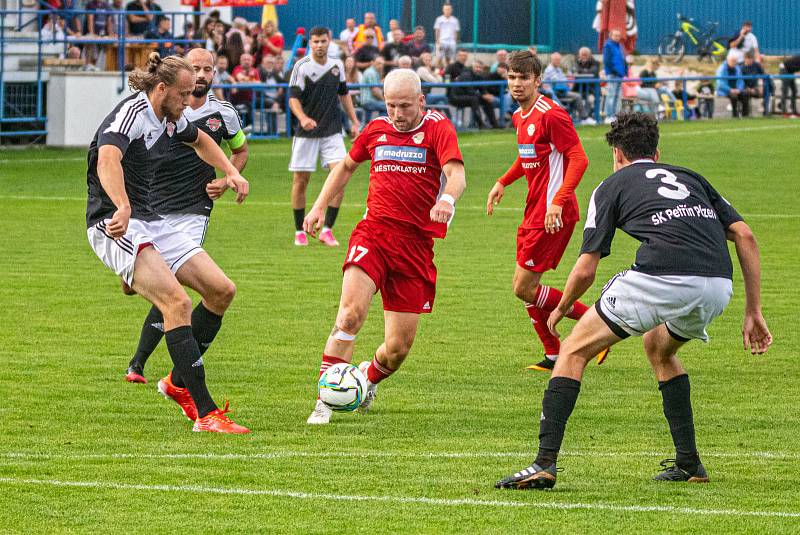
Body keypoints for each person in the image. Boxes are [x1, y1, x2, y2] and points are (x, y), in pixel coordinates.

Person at [495, 112, 772, 489]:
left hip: (663, 275)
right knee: (659, 347)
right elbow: (745, 235)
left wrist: (561, 308)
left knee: (574, 350)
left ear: (617, 154)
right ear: (656, 152)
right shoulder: (691, 178)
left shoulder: (611, 185)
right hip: (716, 285)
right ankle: (690, 463)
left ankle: (544, 463)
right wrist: (753, 310)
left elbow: (587, 267)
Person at [86, 52, 250, 433]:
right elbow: (107, 161)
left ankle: (177, 383)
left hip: (153, 220)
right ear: (162, 89)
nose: (188, 103)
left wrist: (230, 172)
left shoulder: (170, 117)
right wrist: (123, 207)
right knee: (176, 302)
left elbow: (203, 140)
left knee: (221, 290)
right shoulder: (132, 114)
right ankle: (206, 413)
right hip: (114, 223)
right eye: (183, 95)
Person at [303, 68, 466, 425]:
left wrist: (447, 202)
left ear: (421, 101)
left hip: (415, 246)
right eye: (391, 105)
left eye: (405, 106)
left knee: (396, 350)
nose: (397, 113)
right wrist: (318, 206)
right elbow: (345, 167)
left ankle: (366, 379)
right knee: (349, 314)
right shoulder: (376, 129)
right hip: (373, 234)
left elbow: (457, 174)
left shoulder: (438, 128)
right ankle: (324, 399)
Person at [124, 49, 249, 384]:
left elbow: (240, 150)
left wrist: (226, 179)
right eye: (196, 68)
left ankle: (143, 365)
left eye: (208, 69)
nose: (203, 74)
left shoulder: (223, 113)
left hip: (195, 207)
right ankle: (149, 364)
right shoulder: (162, 110)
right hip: (153, 202)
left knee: (174, 283)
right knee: (168, 285)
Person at [486, 50, 604, 371]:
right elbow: (528, 159)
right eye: (512, 77)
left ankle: (598, 324)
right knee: (527, 290)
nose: (516, 84)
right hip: (534, 211)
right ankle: (553, 353)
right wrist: (502, 181)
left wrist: (559, 200)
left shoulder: (551, 114)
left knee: (523, 287)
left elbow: (579, 159)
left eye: (524, 78)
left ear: (538, 80)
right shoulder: (519, 116)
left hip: (553, 214)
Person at [288, 26, 360, 247]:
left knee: (340, 179)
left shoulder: (337, 65)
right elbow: (293, 99)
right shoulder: (301, 66)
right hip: (306, 133)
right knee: (301, 181)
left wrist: (355, 121)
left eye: (323, 41)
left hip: (332, 132)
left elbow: (344, 95)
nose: (319, 45)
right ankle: (299, 230)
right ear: (310, 43)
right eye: (315, 42)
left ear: (330, 41)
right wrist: (302, 118)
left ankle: (327, 229)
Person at [448, 60, 499, 129]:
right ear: (473, 67)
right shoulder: (466, 75)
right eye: (476, 67)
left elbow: (482, 90)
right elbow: (470, 91)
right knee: (474, 99)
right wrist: (483, 96)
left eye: (480, 67)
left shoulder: (480, 76)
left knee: (486, 100)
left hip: (468, 97)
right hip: (455, 98)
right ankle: (481, 125)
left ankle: (495, 125)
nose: (478, 69)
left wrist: (487, 95)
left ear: (482, 69)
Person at [542, 52, 586, 123]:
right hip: (553, 92)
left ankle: (584, 118)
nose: (558, 61)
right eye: (556, 60)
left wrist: (566, 80)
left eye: (559, 60)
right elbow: (556, 80)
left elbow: (564, 80)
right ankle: (562, 109)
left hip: (561, 91)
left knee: (577, 96)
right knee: (551, 92)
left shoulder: (559, 69)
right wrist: (565, 81)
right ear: (552, 60)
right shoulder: (549, 69)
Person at [230, 53, 260, 125]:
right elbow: (240, 78)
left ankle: (249, 129)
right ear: (240, 61)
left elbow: (259, 83)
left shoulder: (255, 70)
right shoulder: (237, 69)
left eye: (248, 60)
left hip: (250, 100)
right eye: (244, 60)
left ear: (252, 62)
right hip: (236, 100)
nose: (246, 61)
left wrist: (247, 81)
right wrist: (251, 81)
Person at [602, 29, 626, 123]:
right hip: (612, 74)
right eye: (615, 35)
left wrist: (624, 72)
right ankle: (608, 116)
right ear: (611, 36)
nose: (617, 37)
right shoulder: (608, 46)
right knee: (611, 95)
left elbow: (622, 60)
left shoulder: (619, 46)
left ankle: (615, 115)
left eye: (618, 36)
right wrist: (614, 71)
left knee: (617, 96)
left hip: (619, 75)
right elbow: (607, 61)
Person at [360, 57, 387, 122]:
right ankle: (381, 126)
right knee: (387, 106)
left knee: (366, 122)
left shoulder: (375, 72)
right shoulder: (371, 72)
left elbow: (377, 88)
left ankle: (363, 128)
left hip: (369, 101)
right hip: (369, 101)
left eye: (382, 64)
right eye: (379, 63)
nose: (381, 66)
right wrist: (385, 100)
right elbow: (375, 92)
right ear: (373, 63)